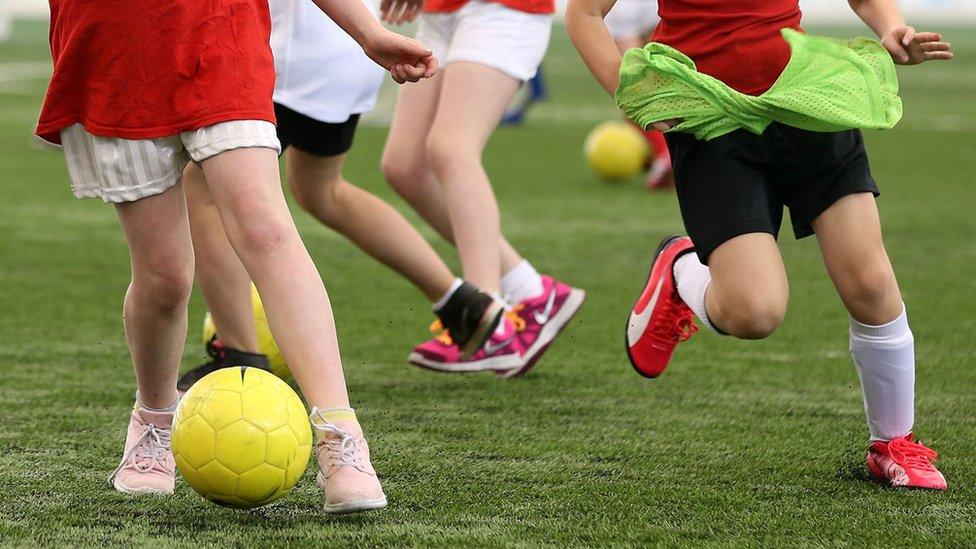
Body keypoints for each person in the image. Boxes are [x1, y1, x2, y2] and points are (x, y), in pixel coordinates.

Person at [37, 0, 436, 513]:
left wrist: (366, 31)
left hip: (220, 36)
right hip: (116, 53)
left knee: (267, 231)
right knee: (164, 279)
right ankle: (155, 420)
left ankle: (342, 437)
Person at [566, 0, 953, 489]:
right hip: (712, 120)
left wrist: (893, 28)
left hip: (809, 99)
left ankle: (894, 443)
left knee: (870, 283)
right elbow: (583, 15)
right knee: (754, 313)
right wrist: (635, 100)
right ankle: (682, 270)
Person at [177, 0, 508, 389]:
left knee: (206, 186)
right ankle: (462, 304)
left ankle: (240, 358)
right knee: (320, 190)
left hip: (297, 54)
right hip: (341, 52)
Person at [380, 0, 586, 376]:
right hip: (441, 12)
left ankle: (486, 317)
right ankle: (531, 291)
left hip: (504, 8)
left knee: (452, 149)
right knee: (404, 166)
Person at [603, 0, 672, 189]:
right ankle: (666, 152)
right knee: (667, 81)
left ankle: (665, 154)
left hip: (620, 7)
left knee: (633, 92)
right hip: (656, 5)